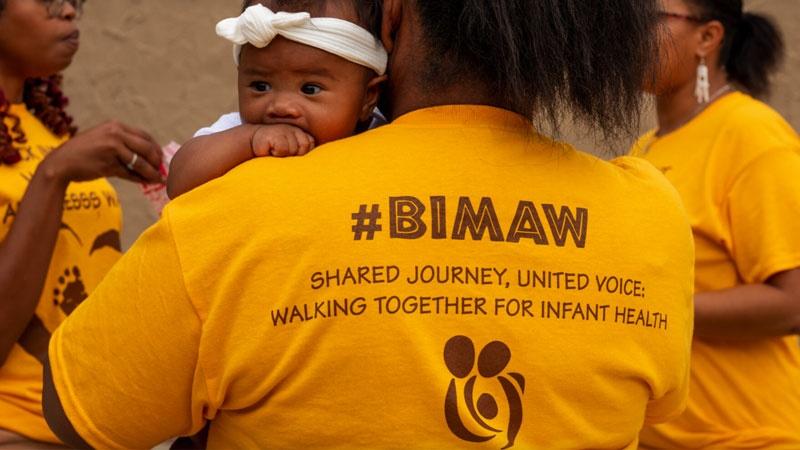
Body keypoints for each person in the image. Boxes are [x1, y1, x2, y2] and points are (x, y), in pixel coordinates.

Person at [42, 1, 695, 448]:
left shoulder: (241, 203)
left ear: (392, 18)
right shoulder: (651, 215)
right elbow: (660, 413)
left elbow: (81, 412)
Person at [633, 1, 800, 448]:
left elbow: (793, 302)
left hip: (747, 436)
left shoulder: (751, 134)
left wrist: (651, 313)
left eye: (649, 18)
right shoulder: (643, 150)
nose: (628, 31)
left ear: (707, 38)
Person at [0, 0, 162, 447]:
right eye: (48, 1)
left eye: (74, 1)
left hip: (90, 424)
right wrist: (55, 175)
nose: (69, 13)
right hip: (18, 430)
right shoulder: (57, 157)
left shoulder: (41, 126)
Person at [166, 0, 386, 199]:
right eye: (260, 86)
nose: (280, 106)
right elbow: (178, 181)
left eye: (310, 89)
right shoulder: (237, 132)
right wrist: (250, 140)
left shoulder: (381, 136)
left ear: (368, 97)